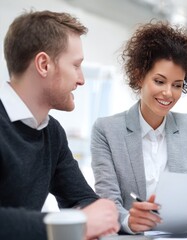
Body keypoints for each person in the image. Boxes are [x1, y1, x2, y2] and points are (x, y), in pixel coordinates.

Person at [0, 10, 120, 240]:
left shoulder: (51, 132)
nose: (81, 79)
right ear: (44, 64)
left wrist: (96, 215)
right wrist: (78, 223)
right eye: (76, 66)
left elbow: (82, 200)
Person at [91, 21, 187, 234]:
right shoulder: (106, 130)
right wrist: (129, 221)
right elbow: (107, 202)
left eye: (177, 85)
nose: (168, 93)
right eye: (159, 81)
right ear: (139, 76)